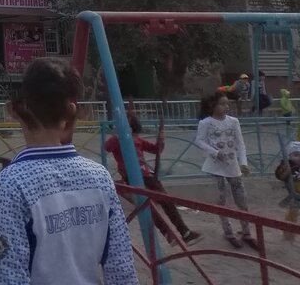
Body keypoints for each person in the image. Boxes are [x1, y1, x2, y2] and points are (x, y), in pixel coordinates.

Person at [0, 58, 137, 284]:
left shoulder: (11, 183)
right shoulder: (100, 177)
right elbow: (122, 268)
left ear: (13, 109)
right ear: (70, 111)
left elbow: (7, 277)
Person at [104, 113, 201, 244]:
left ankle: (185, 232)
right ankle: (168, 234)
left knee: (166, 201)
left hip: (147, 175)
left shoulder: (138, 140)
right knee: (148, 205)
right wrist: (119, 137)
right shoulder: (117, 140)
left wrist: (161, 140)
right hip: (131, 177)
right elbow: (107, 147)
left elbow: (156, 150)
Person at [194, 92, 256, 249]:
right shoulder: (206, 123)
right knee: (222, 200)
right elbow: (199, 141)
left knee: (242, 199)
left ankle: (246, 232)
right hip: (216, 167)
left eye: (227, 103)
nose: (226, 107)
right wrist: (215, 152)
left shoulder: (233, 121)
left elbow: (240, 144)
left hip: (233, 166)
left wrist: (243, 163)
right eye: (222, 104)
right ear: (213, 105)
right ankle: (228, 233)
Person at [277, 140, 300, 240]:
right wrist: (286, 171)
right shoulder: (286, 165)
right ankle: (288, 235)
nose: (299, 157)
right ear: (290, 155)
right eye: (296, 155)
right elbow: (280, 176)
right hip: (294, 194)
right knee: (292, 214)